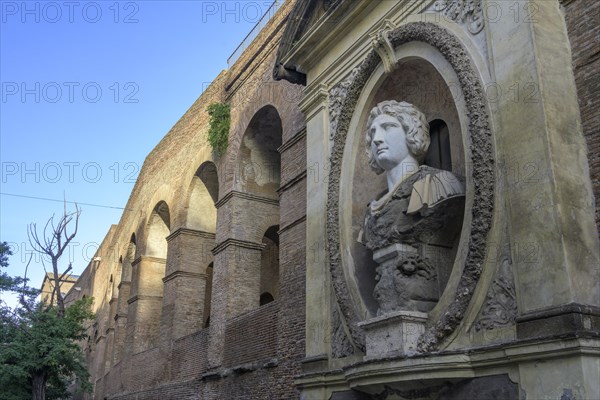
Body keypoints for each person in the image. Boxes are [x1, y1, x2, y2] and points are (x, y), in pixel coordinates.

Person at [360, 100, 465, 314]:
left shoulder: (439, 184)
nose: (377, 139)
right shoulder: (371, 212)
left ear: (411, 133)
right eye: (373, 133)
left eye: (388, 128)